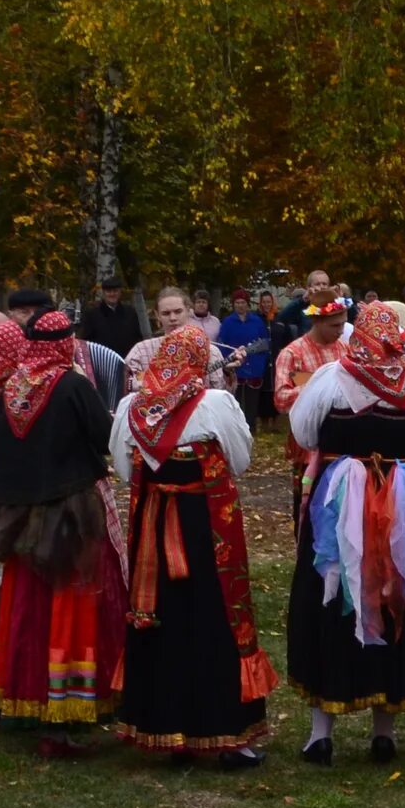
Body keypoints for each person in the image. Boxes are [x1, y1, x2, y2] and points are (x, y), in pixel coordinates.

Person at [285, 300, 405, 765]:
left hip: (342, 495)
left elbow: (304, 431)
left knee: (333, 590)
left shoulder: (331, 378)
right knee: (393, 587)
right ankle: (386, 730)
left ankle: (322, 732)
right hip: (403, 494)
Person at [0, 311, 124, 743]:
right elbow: (105, 436)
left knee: (26, 608)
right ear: (66, 343)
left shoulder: (9, 387)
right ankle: (67, 703)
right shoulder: (73, 385)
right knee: (70, 609)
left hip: (16, 518)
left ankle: (22, 695)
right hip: (70, 513)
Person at [108, 325, 273, 762]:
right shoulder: (216, 404)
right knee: (213, 613)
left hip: (153, 526)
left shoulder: (130, 407)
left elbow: (126, 470)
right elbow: (240, 459)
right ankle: (224, 731)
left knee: (161, 614)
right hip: (206, 528)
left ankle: (163, 727)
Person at [272, 286, 353, 516]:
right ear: (317, 321)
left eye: (343, 324)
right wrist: (318, 387)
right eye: (335, 326)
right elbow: (280, 399)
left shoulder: (346, 351)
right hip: (307, 448)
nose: (341, 330)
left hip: (342, 446)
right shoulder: (292, 354)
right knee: (307, 514)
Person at [215, 290, 273, 422]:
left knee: (252, 403)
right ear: (233, 304)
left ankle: (251, 429)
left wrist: (259, 360)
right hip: (236, 368)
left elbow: (265, 342)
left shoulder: (257, 321)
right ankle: (236, 428)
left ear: (247, 304)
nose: (240, 305)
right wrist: (229, 363)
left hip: (254, 366)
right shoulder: (228, 322)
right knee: (236, 402)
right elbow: (222, 345)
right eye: (237, 303)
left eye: (243, 302)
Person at [78, 277, 144, 359]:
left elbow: (137, 339)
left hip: (127, 361)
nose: (112, 294)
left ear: (120, 292)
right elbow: (86, 342)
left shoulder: (130, 312)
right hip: (102, 362)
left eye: (115, 291)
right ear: (103, 293)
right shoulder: (92, 315)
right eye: (108, 291)